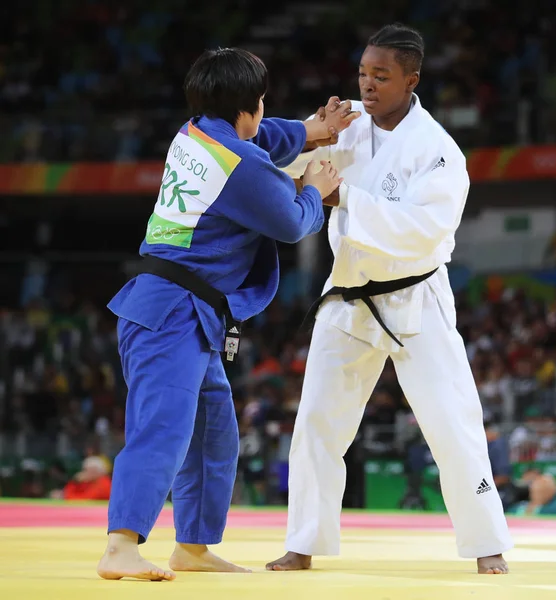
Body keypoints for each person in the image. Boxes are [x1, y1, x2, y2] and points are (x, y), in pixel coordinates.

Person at [96, 47, 359, 582]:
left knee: (215, 431)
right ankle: (120, 545)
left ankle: (191, 546)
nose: (264, 114)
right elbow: (290, 222)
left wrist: (310, 130)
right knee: (163, 429)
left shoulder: (197, 133)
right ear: (250, 106)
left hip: (187, 312)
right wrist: (314, 189)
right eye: (262, 103)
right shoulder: (238, 165)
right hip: (170, 311)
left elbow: (260, 140)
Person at [266, 23, 513, 575]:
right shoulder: (345, 122)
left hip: (414, 298)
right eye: (362, 73)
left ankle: (486, 542)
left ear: (412, 80)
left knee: (451, 423)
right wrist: (308, 134)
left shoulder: (439, 152)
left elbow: (424, 232)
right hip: (348, 295)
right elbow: (287, 175)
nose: (368, 84)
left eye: (381, 75)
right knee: (317, 423)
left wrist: (344, 195)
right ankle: (302, 543)